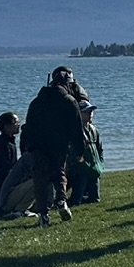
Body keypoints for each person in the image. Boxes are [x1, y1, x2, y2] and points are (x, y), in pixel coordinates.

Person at [24, 67, 86, 227]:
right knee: (60, 174)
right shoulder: (69, 101)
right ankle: (61, 201)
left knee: (40, 180)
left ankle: (43, 214)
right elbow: (76, 128)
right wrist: (79, 150)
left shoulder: (37, 102)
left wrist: (26, 147)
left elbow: (28, 126)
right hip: (59, 146)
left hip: (38, 147)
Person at [68, 101, 104, 205]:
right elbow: (73, 153)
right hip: (81, 169)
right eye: (86, 112)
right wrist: (83, 164)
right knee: (76, 199)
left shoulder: (94, 130)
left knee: (95, 199)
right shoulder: (75, 130)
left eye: (91, 112)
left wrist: (100, 163)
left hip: (94, 167)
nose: (90, 115)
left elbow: (99, 148)